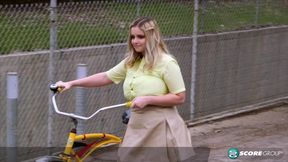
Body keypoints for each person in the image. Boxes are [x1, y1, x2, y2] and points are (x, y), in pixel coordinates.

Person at [56, 17, 194, 162]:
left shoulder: (166, 63)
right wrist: (71, 83)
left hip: (161, 126)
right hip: (137, 124)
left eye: (141, 37)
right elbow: (105, 77)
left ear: (152, 37)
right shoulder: (131, 62)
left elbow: (180, 97)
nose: (135, 41)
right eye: (133, 37)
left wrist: (148, 99)